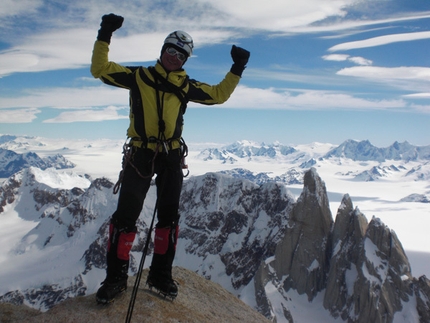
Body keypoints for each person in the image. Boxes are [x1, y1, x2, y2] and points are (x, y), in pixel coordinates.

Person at [91, 13, 250, 304]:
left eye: (181, 54)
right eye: (170, 50)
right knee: (125, 218)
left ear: (186, 60)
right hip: (141, 153)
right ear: (162, 50)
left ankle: (159, 275)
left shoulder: (186, 86)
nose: (174, 57)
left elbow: (218, 95)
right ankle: (115, 278)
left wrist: (237, 68)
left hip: (171, 156)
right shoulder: (139, 77)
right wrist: (105, 33)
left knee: (168, 220)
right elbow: (99, 69)